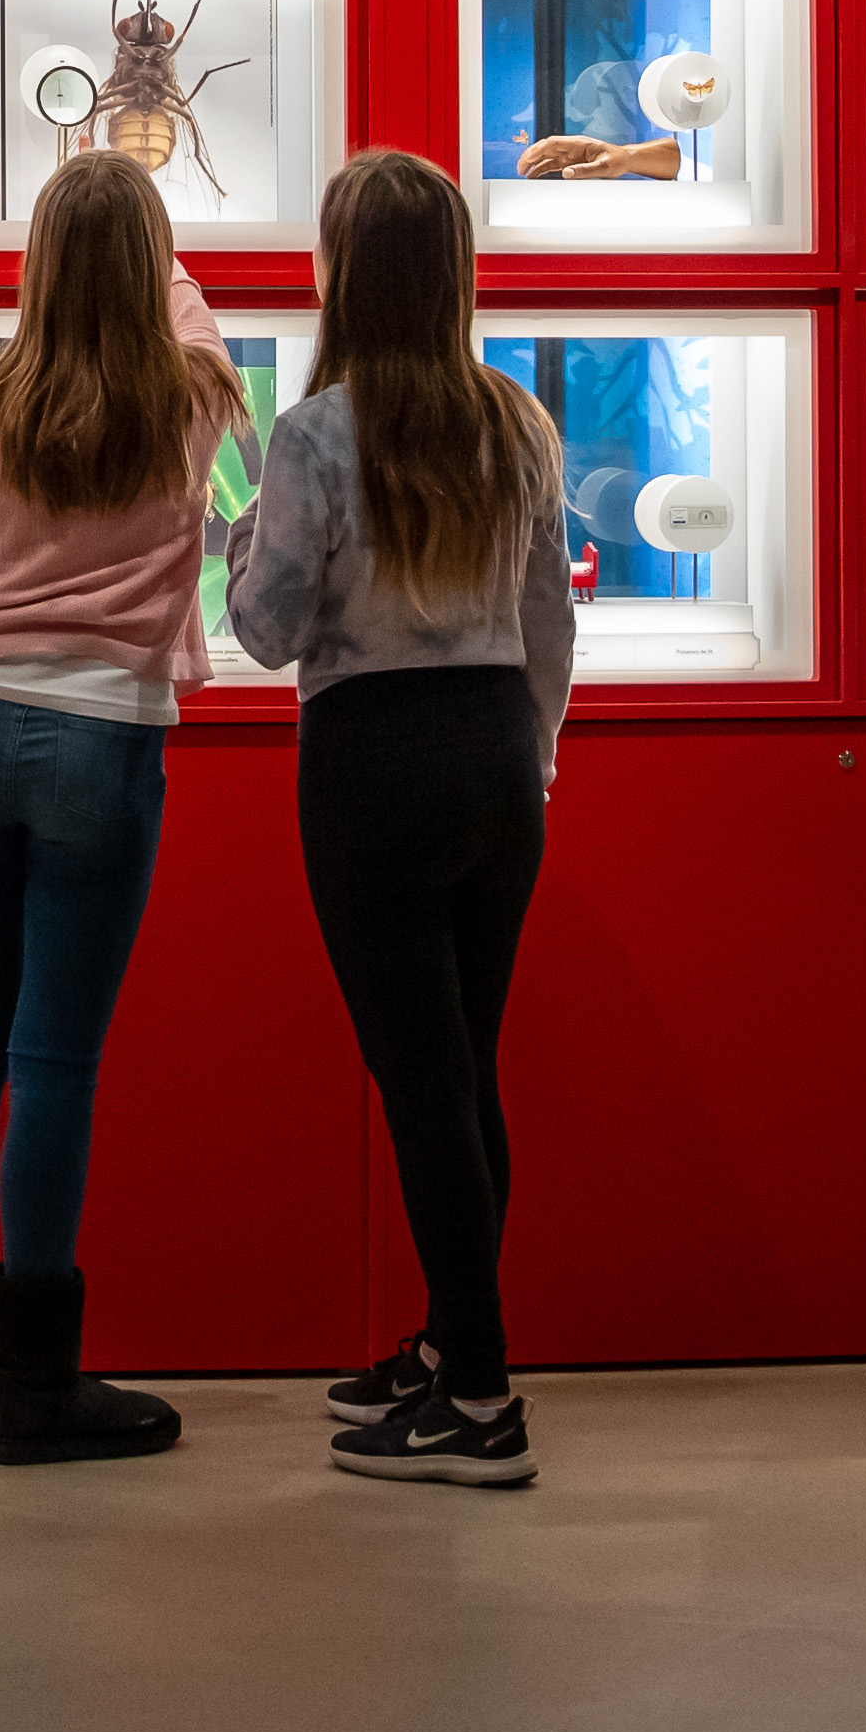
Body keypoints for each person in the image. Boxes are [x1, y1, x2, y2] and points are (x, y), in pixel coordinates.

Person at [0, 147, 239, 1465]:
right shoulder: (191, 394)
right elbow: (185, 304)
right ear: (149, 273)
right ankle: (34, 1386)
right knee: (54, 1060)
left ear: (30, 267)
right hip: (103, 740)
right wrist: (140, 238)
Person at [225, 148, 572, 1488]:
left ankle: (481, 1398)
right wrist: (530, 759)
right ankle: (447, 1351)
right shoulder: (517, 420)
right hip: (494, 746)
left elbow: (263, 634)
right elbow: (551, 619)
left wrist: (251, 532)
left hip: (372, 757)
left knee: (419, 1078)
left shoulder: (319, 432)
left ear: (345, 273)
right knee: (463, 1070)